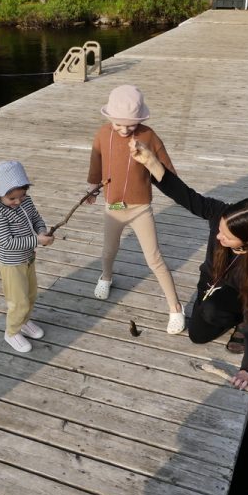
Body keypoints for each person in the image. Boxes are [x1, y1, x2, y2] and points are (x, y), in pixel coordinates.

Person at [129, 138, 248, 390]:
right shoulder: (221, 214)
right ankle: (221, 311)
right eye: (219, 229)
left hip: (238, 297)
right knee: (197, 335)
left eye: (227, 237)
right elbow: (187, 196)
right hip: (209, 284)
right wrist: (151, 162)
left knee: (214, 312)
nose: (218, 237)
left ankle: (235, 320)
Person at [85, 84, 185, 334]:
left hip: (141, 208)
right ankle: (106, 277)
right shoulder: (102, 134)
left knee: (155, 259)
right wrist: (93, 188)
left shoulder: (149, 136)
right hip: (113, 207)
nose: (123, 129)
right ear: (109, 118)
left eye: (129, 125)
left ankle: (175, 307)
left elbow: (167, 172)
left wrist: (152, 163)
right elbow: (96, 162)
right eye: (118, 124)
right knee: (108, 250)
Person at [0, 160, 55, 353]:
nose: (18, 201)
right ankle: (11, 332)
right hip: (11, 263)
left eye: (22, 195)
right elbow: (7, 242)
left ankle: (24, 322)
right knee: (18, 300)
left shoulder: (25, 200)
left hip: (28, 258)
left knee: (31, 293)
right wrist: (37, 241)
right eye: (12, 198)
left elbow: (36, 218)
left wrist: (42, 231)